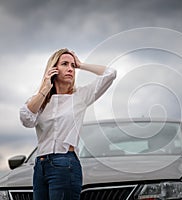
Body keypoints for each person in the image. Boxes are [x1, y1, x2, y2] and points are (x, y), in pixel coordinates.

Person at [19, 48, 117, 200]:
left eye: (73, 65)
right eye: (65, 64)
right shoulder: (40, 100)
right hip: (40, 166)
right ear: (53, 69)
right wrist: (45, 89)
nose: (71, 69)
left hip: (65, 163)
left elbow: (111, 73)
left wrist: (82, 64)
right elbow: (26, 119)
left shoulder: (81, 96)